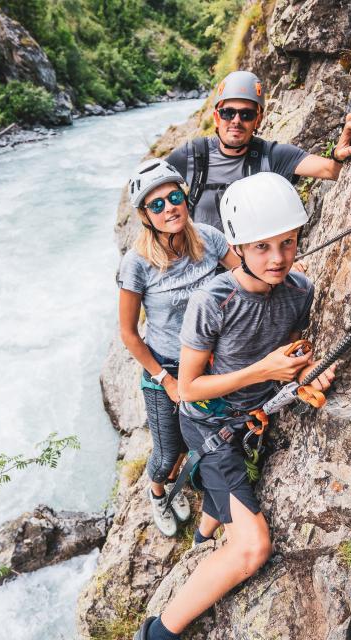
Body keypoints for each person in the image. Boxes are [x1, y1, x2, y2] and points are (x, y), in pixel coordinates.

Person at [134, 172, 336, 640]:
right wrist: (261, 372)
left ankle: (203, 539)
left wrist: (306, 372)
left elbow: (292, 350)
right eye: (262, 247)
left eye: (287, 243)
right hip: (209, 427)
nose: (278, 258)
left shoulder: (299, 292)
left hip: (252, 419)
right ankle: (158, 632)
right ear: (239, 247)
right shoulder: (214, 301)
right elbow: (187, 389)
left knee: (219, 512)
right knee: (250, 550)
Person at [118, 158, 239, 538]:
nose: (169, 207)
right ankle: (157, 491)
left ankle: (197, 485)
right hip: (165, 368)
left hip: (209, 362)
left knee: (196, 443)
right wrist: (164, 379)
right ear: (144, 215)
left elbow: (241, 279)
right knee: (168, 454)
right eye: (157, 205)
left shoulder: (208, 238)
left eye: (174, 197)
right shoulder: (137, 264)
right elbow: (129, 334)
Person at [166, 70, 351, 232]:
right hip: (202, 268)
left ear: (258, 120)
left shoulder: (272, 156)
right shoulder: (194, 155)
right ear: (217, 117)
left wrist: (338, 152)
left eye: (246, 114)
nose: (236, 120)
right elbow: (149, 188)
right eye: (228, 113)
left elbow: (331, 171)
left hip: (253, 272)